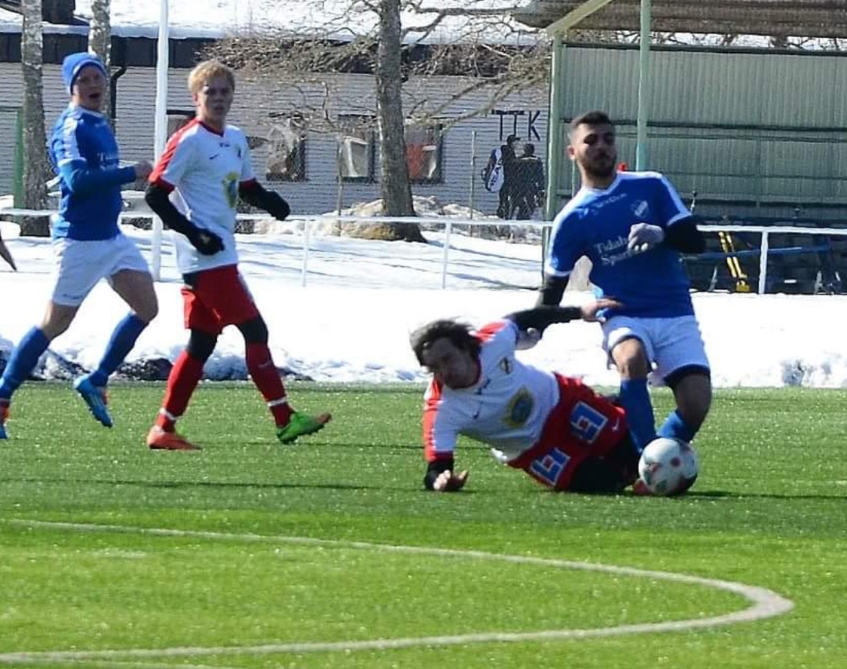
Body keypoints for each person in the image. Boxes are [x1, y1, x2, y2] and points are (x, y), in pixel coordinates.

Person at [143, 59, 330, 451]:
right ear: (195, 98)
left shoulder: (235, 138)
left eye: (224, 91)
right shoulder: (188, 139)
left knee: (201, 343)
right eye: (210, 91)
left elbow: (246, 187)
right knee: (255, 331)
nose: (218, 98)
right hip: (204, 258)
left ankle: (163, 428)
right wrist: (193, 234)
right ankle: (284, 418)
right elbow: (155, 194)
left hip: (222, 253)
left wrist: (270, 201)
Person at [0, 52, 157, 439]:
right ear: (71, 87)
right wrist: (131, 172)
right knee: (54, 324)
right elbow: (77, 181)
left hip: (111, 238)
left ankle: (96, 380)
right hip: (79, 241)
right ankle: (2, 398)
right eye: (83, 79)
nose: (93, 85)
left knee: (147, 307)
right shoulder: (70, 126)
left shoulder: (99, 123)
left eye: (97, 77)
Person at [536, 110, 711, 454]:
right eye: (591, 141)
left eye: (608, 139)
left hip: (675, 311)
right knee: (632, 358)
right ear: (572, 152)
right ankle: (643, 458)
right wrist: (529, 325)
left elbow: (695, 241)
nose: (601, 146)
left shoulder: (651, 185)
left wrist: (662, 234)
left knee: (696, 404)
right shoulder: (571, 218)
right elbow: (552, 287)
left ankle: (650, 460)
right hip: (622, 313)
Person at [410, 302, 644, 494]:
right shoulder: (440, 409)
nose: (444, 372)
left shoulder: (493, 341)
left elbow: (526, 318)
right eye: (434, 368)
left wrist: (579, 311)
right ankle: (612, 412)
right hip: (532, 448)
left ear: (465, 347)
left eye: (447, 359)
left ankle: (613, 408)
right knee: (602, 483)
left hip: (564, 402)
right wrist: (440, 481)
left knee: (634, 454)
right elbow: (436, 467)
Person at [512, 142, 545, 220]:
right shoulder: (537, 161)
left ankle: (520, 216)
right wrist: (541, 188)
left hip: (519, 185)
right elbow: (540, 176)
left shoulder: (518, 160)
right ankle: (525, 216)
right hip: (531, 185)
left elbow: (514, 174)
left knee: (517, 203)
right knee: (531, 204)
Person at [496, 134, 521, 219]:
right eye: (515, 142)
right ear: (511, 142)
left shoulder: (509, 150)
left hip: (508, 178)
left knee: (505, 197)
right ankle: (504, 212)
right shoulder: (507, 150)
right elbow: (509, 163)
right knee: (505, 197)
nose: (517, 144)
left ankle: (504, 212)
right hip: (507, 178)